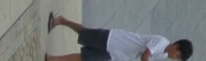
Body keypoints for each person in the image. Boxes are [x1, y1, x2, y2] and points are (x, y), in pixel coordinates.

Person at [41, 16, 189, 61]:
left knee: (85, 58)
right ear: (176, 47)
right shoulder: (161, 42)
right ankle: (61, 21)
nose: (175, 58)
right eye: (178, 55)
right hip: (113, 39)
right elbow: (146, 55)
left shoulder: (163, 55)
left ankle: (53, 59)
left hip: (115, 55)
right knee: (84, 33)